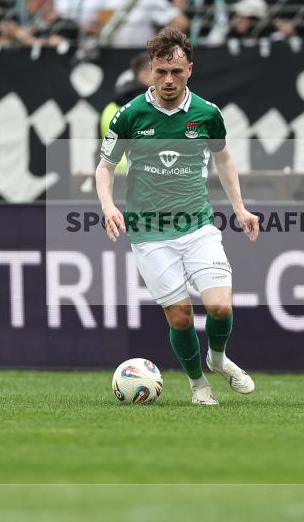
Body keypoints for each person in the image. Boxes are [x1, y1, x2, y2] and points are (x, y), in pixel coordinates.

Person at [96, 28, 259, 406]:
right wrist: (108, 206)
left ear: (189, 70)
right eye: (160, 72)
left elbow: (223, 158)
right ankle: (198, 385)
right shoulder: (130, 114)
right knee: (181, 318)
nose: (168, 80)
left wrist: (239, 207)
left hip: (198, 226)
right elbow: (104, 168)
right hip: (149, 234)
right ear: (151, 71)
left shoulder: (207, 114)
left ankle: (216, 358)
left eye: (177, 72)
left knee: (220, 306)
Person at [98, 52, 150, 175]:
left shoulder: (110, 108)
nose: (167, 78)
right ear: (144, 76)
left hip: (115, 175)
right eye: (160, 72)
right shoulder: (151, 107)